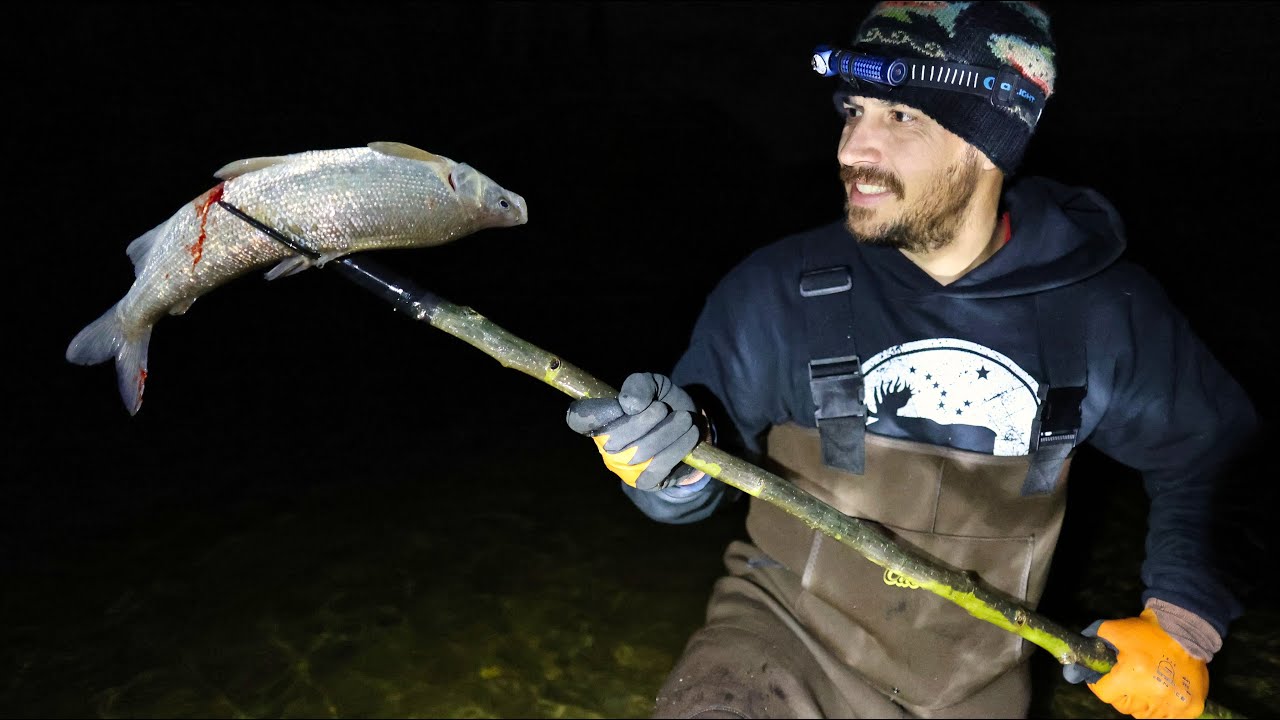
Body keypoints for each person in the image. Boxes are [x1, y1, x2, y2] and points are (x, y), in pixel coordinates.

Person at [565, 2, 1258, 719]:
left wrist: (1181, 623)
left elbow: (1211, 450)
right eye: (854, 111)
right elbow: (683, 480)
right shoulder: (777, 290)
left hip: (973, 690)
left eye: (900, 118)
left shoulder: (1102, 311)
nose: (852, 148)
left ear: (986, 145)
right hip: (774, 656)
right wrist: (666, 465)